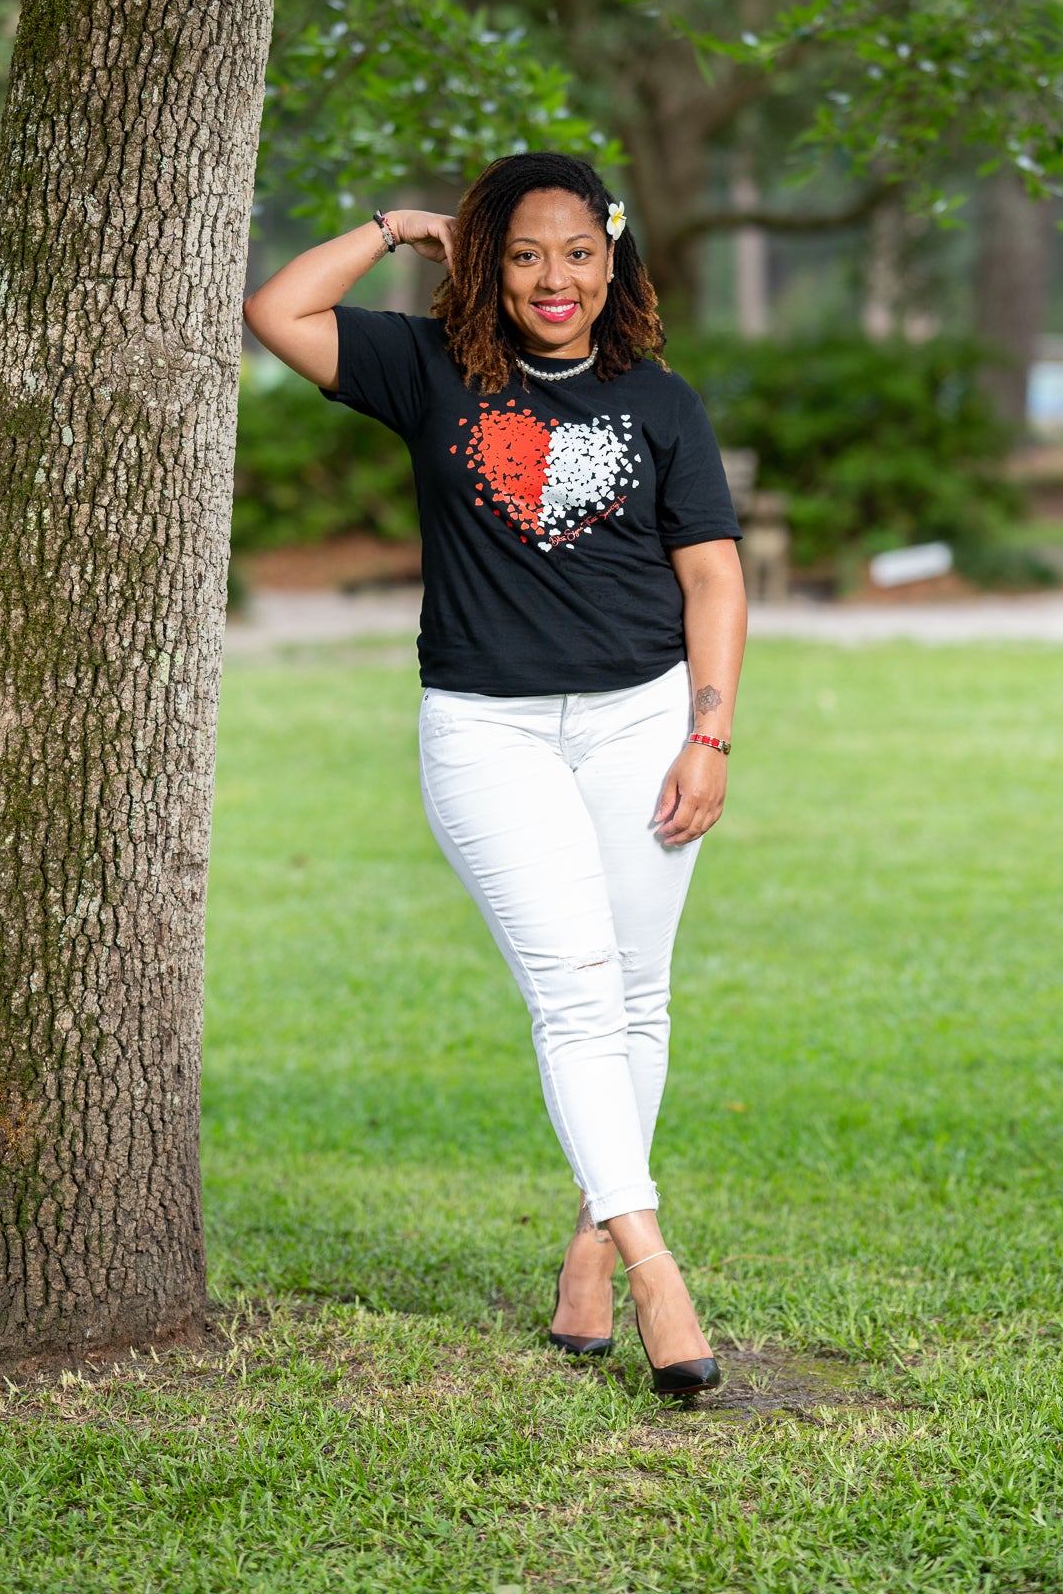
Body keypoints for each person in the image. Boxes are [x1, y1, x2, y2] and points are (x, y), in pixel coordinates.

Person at [243, 151, 747, 1394]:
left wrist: (707, 733)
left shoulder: (660, 402)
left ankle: (589, 1247)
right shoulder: (431, 369)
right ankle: (655, 1269)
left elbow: (712, 576)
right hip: (488, 732)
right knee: (576, 992)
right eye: (523, 253)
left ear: (613, 259)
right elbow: (278, 309)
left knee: (635, 997)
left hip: (640, 724)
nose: (552, 278)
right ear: (489, 264)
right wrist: (399, 225)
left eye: (577, 251)